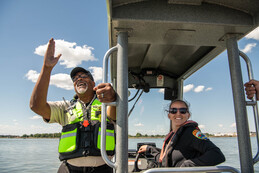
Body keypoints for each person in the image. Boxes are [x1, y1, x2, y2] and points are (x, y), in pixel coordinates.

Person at [30, 38, 116, 173]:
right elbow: (36, 106)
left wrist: (112, 98)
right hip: (69, 169)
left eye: (84, 76)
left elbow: (115, 115)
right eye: (75, 79)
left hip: (103, 169)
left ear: (93, 83)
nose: (78, 79)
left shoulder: (107, 103)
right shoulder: (64, 107)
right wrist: (46, 69)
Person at [138, 99, 225, 167]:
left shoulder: (191, 133)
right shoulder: (173, 135)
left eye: (183, 111)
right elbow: (166, 158)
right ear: (169, 115)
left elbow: (217, 155)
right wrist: (149, 149)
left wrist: (187, 166)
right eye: (173, 110)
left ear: (188, 115)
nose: (178, 113)